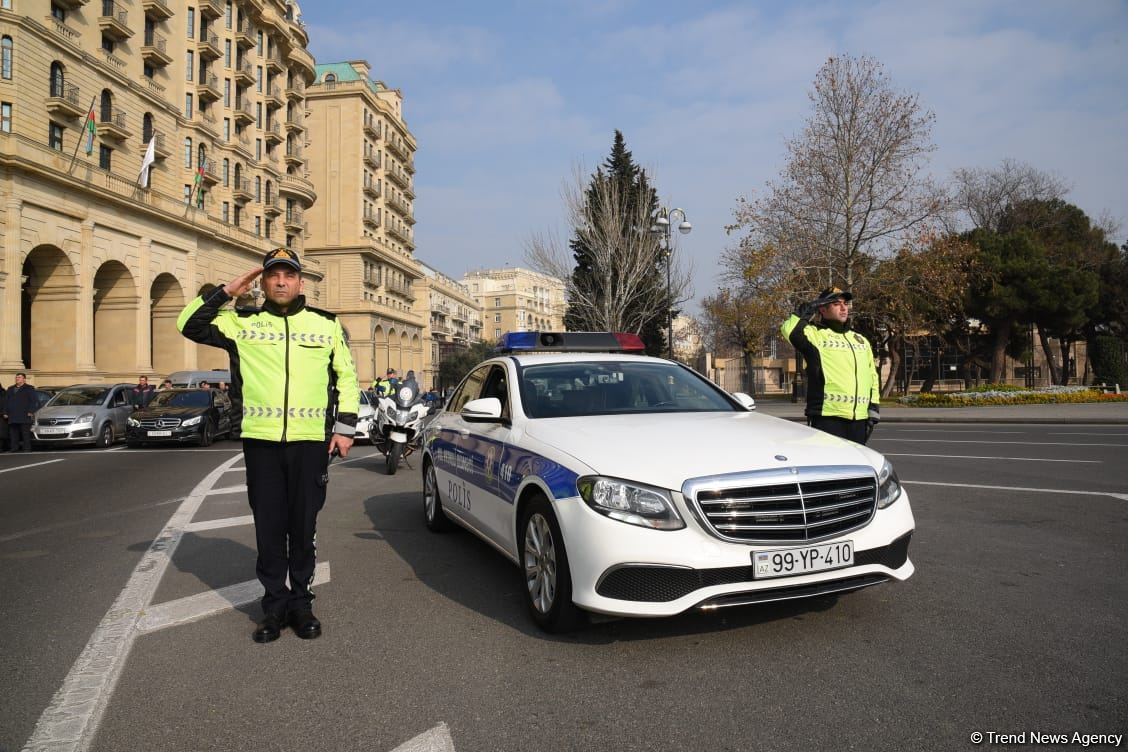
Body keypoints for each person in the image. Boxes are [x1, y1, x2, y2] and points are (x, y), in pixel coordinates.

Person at [178, 247, 359, 644]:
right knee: (269, 527)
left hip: (310, 443)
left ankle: (302, 604)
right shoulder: (241, 323)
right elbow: (188, 324)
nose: (281, 281)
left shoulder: (326, 325)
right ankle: (274, 608)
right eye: (273, 275)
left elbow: (347, 377)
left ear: (300, 282)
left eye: (288, 275)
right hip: (260, 441)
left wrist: (345, 428)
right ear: (261, 282)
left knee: (303, 524)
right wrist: (226, 292)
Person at [780, 287, 880, 445]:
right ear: (823, 309)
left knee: (855, 469)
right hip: (827, 418)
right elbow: (788, 329)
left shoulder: (860, 340)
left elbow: (872, 375)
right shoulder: (815, 335)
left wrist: (873, 408)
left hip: (859, 421)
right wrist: (810, 308)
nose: (843, 307)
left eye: (845, 303)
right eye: (836, 303)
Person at [4, 373, 37, 452]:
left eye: (19, 377)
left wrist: (31, 411)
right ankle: (14, 448)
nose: (17, 379)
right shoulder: (10, 389)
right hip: (13, 415)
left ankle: (27, 448)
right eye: (16, 377)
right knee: (13, 433)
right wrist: (5, 412)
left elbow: (34, 401)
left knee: (25, 433)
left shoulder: (29, 388)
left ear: (24, 379)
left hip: (24, 414)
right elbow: (6, 401)